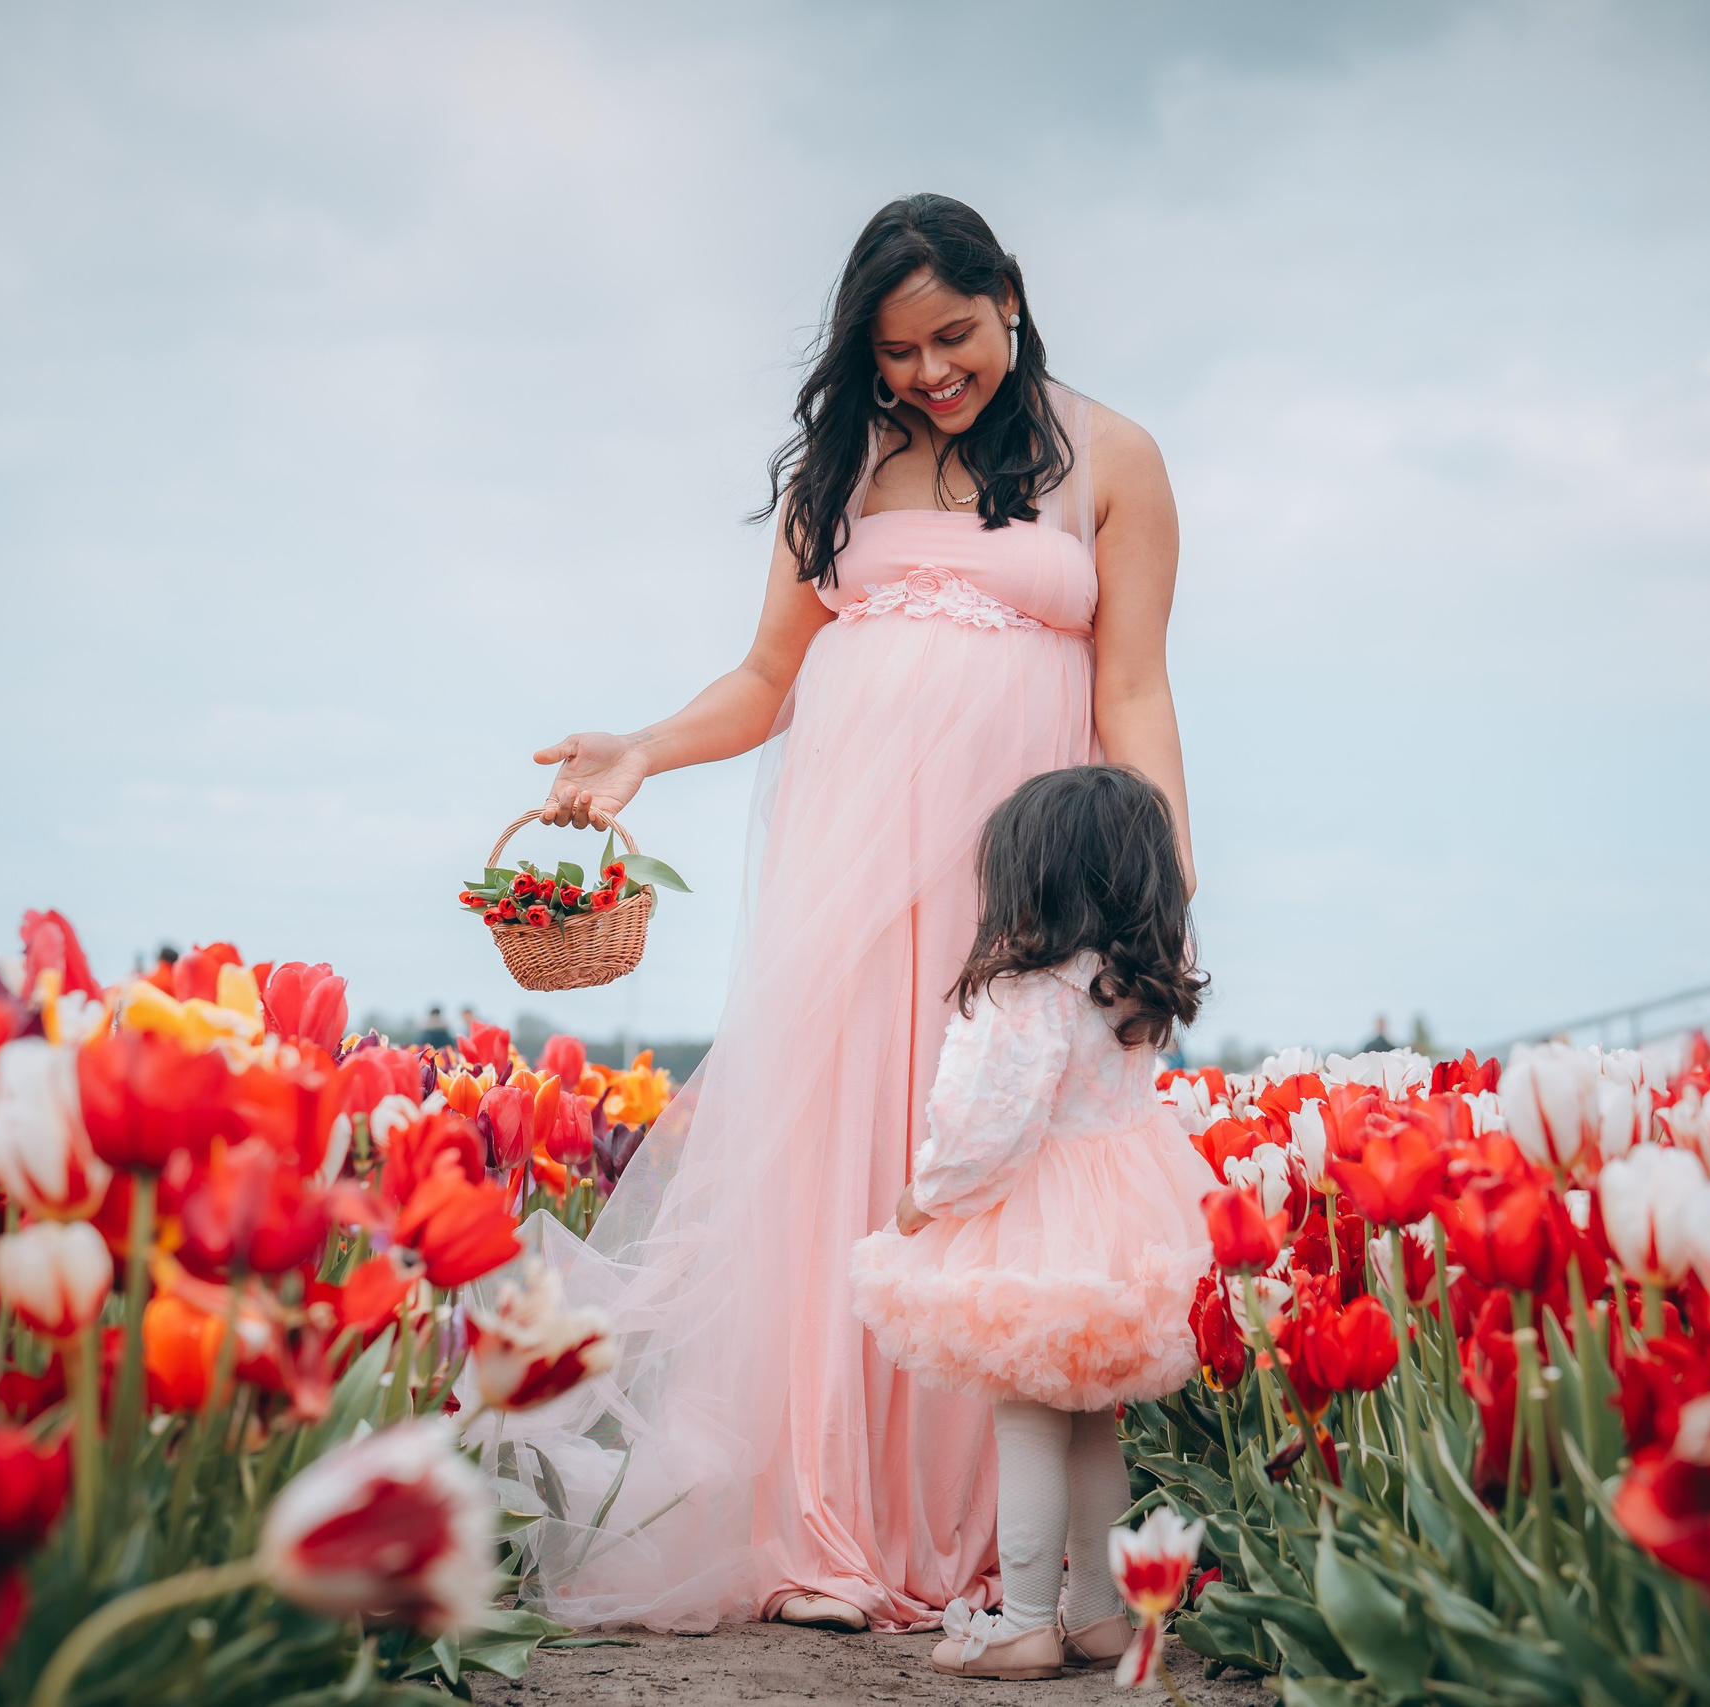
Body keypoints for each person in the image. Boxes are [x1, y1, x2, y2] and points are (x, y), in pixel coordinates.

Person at [510, 193, 1192, 1634]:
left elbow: (1132, 689)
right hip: (850, 867)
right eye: (896, 352)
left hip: (1022, 887)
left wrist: (1161, 901)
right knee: (844, 1161)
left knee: (985, 1165)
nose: (931, 373)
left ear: (1010, 292)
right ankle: (828, 1519)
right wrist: (641, 748)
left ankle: (975, 1544)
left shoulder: (1115, 457)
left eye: (953, 334)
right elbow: (765, 678)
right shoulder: (849, 463)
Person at [850, 768, 1213, 1679]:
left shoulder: (1029, 989)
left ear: (1035, 874)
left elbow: (989, 1124)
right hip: (1129, 1210)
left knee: (1027, 1420)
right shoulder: (1132, 986)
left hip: (1040, 1219)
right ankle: (1094, 1612)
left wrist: (927, 1194)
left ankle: (1022, 1621)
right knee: (1094, 1421)